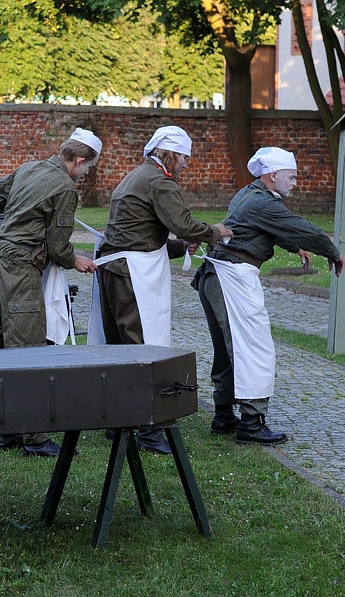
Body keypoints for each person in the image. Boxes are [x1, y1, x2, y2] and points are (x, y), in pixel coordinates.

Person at [192, 146, 345, 445]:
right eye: (292, 176)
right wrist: (332, 251)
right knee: (254, 348)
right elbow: (301, 228)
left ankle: (223, 414)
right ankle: (251, 422)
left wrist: (293, 246)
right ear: (273, 175)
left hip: (216, 276)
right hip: (232, 278)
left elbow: (263, 228)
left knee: (228, 349)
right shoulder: (263, 203)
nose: (296, 182)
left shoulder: (250, 194)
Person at [92, 125, 230, 454]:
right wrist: (216, 231)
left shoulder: (137, 175)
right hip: (131, 274)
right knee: (143, 349)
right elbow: (182, 223)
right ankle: (148, 430)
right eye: (184, 156)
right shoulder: (160, 181)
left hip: (113, 267)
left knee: (119, 349)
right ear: (169, 153)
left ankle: (118, 422)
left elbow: (140, 231)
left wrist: (181, 247)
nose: (186, 163)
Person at [0, 127, 101, 457]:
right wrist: (73, 259)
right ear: (79, 160)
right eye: (87, 168)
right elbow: (57, 243)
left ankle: (4, 431)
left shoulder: (29, 168)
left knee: (3, 344)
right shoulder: (65, 187)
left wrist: (19, 214)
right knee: (29, 350)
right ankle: (34, 438)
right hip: (20, 266)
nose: (85, 175)